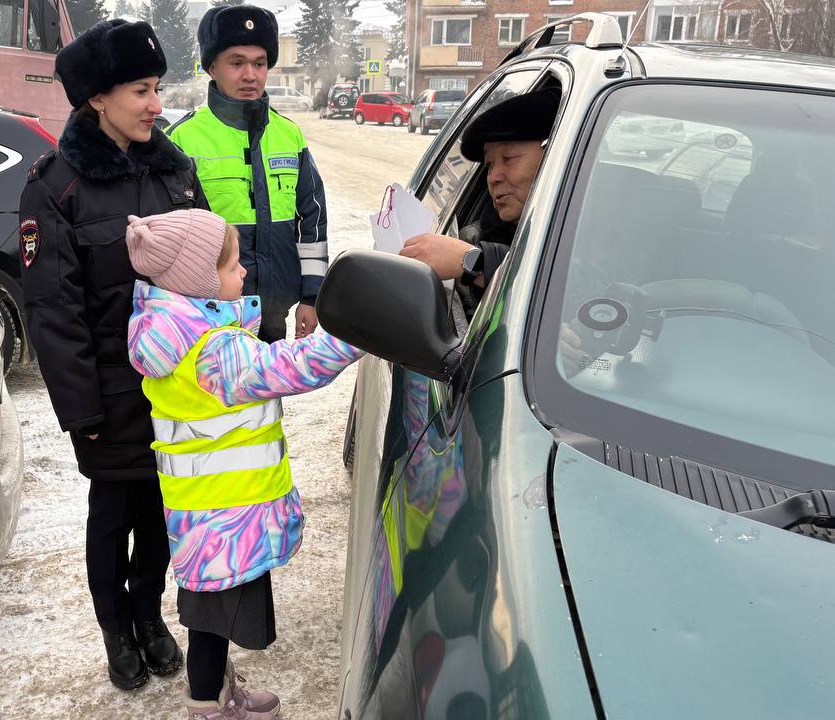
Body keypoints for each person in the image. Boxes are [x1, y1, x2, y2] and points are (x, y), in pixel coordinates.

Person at [125, 209, 362, 719]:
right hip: (227, 518)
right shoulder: (212, 352)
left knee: (209, 617)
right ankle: (208, 706)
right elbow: (290, 367)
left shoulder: (176, 335)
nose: (244, 275)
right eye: (233, 267)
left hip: (203, 515)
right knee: (211, 625)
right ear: (201, 281)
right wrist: (357, 331)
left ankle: (215, 692)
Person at [18, 19, 196, 691]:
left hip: (173, 390)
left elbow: (207, 269)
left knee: (160, 509)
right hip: (109, 393)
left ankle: (150, 616)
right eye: (140, 91)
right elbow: (52, 310)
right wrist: (82, 406)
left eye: (157, 89)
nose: (156, 104)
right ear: (97, 98)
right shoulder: (56, 187)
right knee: (114, 513)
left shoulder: (174, 172)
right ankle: (115, 628)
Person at [168, 4, 329, 344]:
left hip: (273, 313)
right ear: (211, 66)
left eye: (259, 63)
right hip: (209, 315)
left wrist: (311, 297)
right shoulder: (182, 140)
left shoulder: (290, 136)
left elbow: (313, 220)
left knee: (268, 397)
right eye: (237, 63)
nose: (250, 75)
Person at [401, 88, 561, 307]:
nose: (493, 178)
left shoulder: (598, 233)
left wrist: (474, 262)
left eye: (509, 158)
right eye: (489, 165)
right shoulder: (475, 235)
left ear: (555, 155)